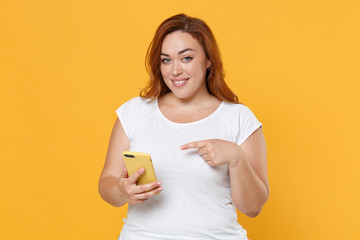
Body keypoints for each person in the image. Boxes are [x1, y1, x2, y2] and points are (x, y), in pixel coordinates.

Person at [98, 13, 269, 240]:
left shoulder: (238, 118)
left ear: (209, 60)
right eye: (166, 60)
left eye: (186, 58)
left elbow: (253, 207)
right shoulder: (134, 113)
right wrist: (121, 190)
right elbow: (106, 183)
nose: (175, 70)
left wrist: (236, 157)